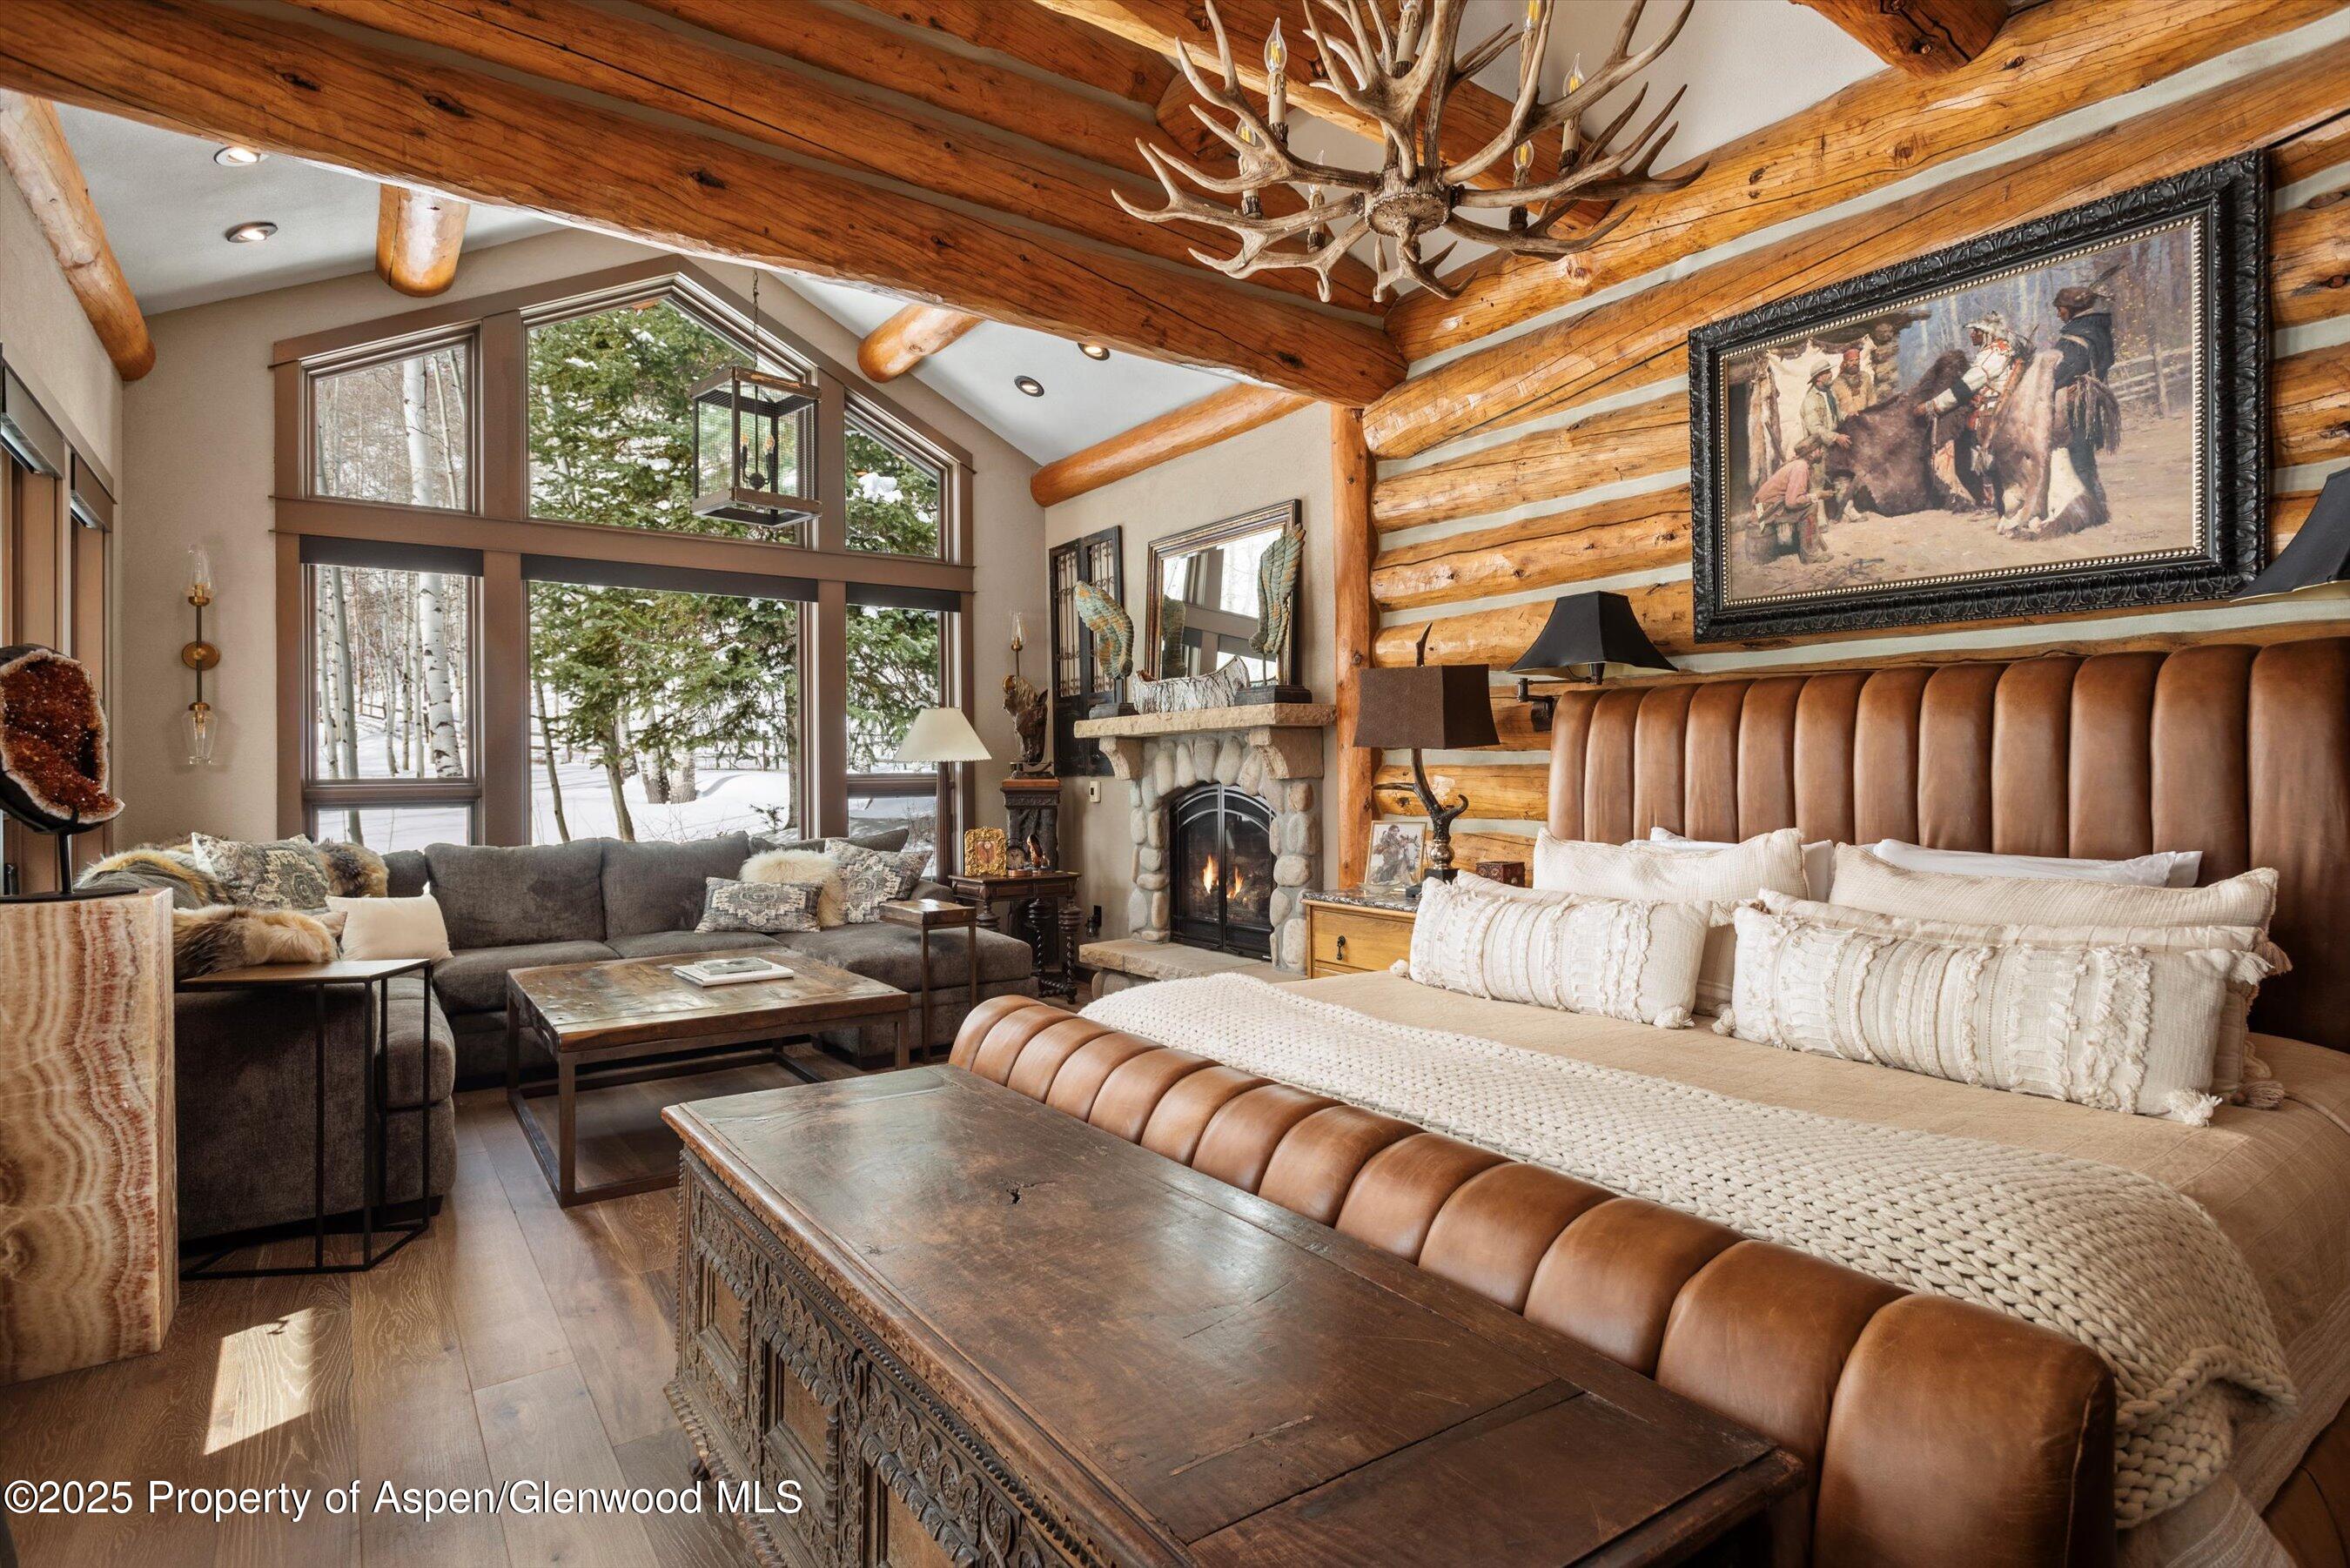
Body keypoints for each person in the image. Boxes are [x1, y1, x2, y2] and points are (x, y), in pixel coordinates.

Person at [2038, 283, 2123, 533]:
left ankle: (2089, 510)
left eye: (2060, 309)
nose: (2058, 314)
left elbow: (2066, 370)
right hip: (2086, 400)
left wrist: (2043, 382)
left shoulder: (2081, 333)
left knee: (2078, 455)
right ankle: (2095, 506)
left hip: (2077, 403)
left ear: (2072, 308)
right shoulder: (2094, 329)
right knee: (2082, 454)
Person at [1915, 312, 2019, 511]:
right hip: (1997, 409)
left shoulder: (1993, 354)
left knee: (1991, 464)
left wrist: (1932, 406)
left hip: (1994, 413)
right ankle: (1998, 505)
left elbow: (1965, 386)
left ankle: (2002, 508)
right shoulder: (2002, 350)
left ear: (1988, 334)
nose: (1972, 335)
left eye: (1976, 331)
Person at [1830, 344, 1873, 419]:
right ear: (1845, 363)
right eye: (1851, 361)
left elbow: (1872, 399)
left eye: (1857, 360)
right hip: (1848, 422)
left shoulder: (1865, 377)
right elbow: (1834, 408)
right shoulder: (1837, 383)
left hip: (1866, 419)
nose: (1854, 363)